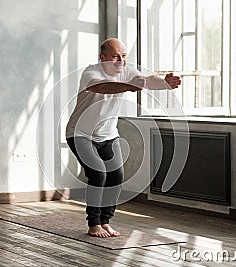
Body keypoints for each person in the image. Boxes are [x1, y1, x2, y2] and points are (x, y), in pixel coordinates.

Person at [66, 38, 181, 238]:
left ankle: (105, 221)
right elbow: (101, 87)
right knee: (98, 173)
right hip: (80, 134)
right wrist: (128, 86)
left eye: (124, 56)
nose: (121, 61)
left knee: (116, 175)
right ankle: (93, 224)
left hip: (109, 134)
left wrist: (165, 84)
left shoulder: (126, 71)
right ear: (102, 58)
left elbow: (147, 80)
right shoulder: (91, 72)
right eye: (114, 56)